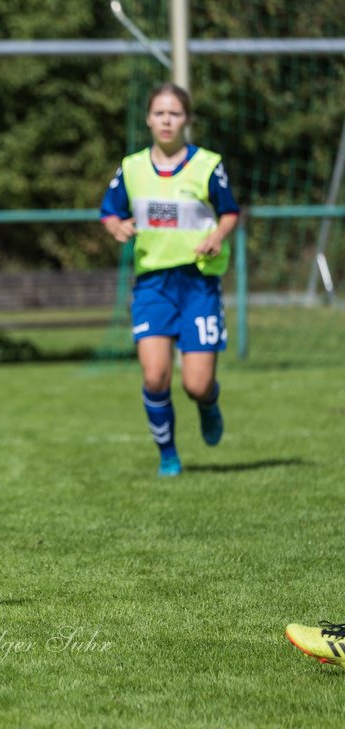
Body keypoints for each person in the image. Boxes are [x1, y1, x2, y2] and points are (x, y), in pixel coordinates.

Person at [100, 83, 240, 477]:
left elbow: (229, 211)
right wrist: (116, 227)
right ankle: (168, 455)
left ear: (187, 120)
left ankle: (209, 404)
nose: (166, 120)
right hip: (153, 285)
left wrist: (216, 235)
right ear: (148, 119)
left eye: (174, 113)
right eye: (159, 113)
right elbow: (109, 212)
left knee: (196, 384)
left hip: (197, 283)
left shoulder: (208, 165)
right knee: (155, 374)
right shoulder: (132, 167)